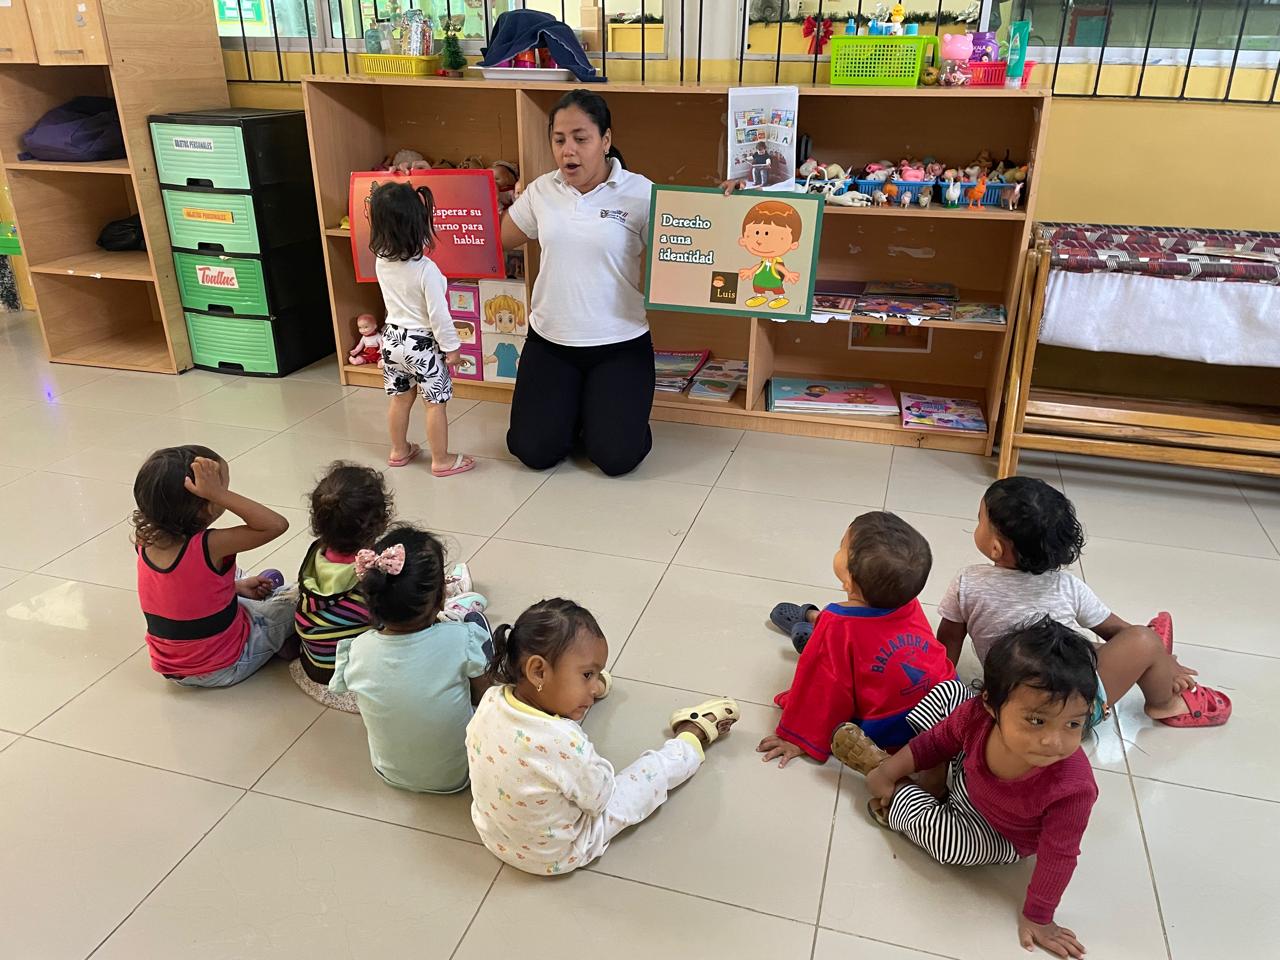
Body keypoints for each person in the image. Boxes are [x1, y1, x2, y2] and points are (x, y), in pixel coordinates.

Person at [499, 89, 740, 477]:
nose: (568, 150)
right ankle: (578, 411)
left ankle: (599, 413)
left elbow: (692, 240)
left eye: (581, 138)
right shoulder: (543, 190)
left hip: (620, 344)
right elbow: (502, 237)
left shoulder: (640, 192)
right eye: (559, 140)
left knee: (616, 458)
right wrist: (500, 196)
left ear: (606, 140)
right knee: (533, 451)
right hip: (550, 342)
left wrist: (726, 207)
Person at [831, 618, 1102, 960]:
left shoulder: (1072, 788)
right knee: (949, 692)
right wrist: (891, 769)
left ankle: (899, 792)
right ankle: (925, 776)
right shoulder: (977, 715)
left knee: (952, 846)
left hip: (995, 832)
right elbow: (938, 738)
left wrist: (1038, 916)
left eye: (1073, 724)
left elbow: (1059, 856)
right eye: (1036, 720)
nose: (1054, 741)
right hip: (967, 770)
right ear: (991, 705)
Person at [466, 598, 740, 875]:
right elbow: (600, 797)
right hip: (554, 856)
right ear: (538, 671)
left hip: (493, 835)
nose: (594, 685)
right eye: (587, 675)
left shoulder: (490, 700)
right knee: (637, 786)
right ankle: (690, 740)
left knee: (562, 716)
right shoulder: (565, 742)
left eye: (596, 675)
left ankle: (573, 692)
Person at [939, 476, 1231, 728]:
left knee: (1073, 645)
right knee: (1142, 639)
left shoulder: (967, 582)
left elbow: (949, 639)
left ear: (995, 548)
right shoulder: (1067, 587)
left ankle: (1156, 670)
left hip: (1007, 709)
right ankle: (1164, 699)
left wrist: (945, 693)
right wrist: (1160, 657)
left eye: (979, 519)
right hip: (1071, 716)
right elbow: (1119, 631)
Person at [759, 512, 955, 767]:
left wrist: (799, 737)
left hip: (889, 728)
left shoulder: (838, 623)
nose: (838, 547)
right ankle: (814, 626)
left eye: (842, 546)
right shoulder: (905, 599)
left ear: (849, 581)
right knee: (850, 640)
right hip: (944, 704)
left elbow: (825, 687)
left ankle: (817, 636)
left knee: (830, 653)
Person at [329, 526, 491, 793]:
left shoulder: (357, 650)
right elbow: (484, 699)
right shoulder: (463, 640)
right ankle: (458, 613)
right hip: (459, 774)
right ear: (441, 597)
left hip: (388, 772)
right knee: (476, 626)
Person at [132, 445, 295, 688]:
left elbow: (180, 590)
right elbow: (276, 525)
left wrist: (236, 587)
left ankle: (249, 600)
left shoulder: (146, 540)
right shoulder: (210, 546)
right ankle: (280, 640)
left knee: (228, 574)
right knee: (299, 598)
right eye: (222, 490)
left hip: (174, 667)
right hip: (223, 666)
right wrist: (219, 494)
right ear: (206, 504)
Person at [370, 180, 475, 477]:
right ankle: (441, 460)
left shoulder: (381, 261)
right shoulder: (426, 270)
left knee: (400, 399)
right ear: (418, 224)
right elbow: (439, 316)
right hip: (422, 344)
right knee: (434, 404)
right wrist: (452, 348)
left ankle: (399, 450)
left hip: (392, 339)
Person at [288, 461, 392, 711]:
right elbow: (395, 624)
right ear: (382, 520)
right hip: (350, 676)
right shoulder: (372, 573)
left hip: (315, 665)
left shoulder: (316, 554)